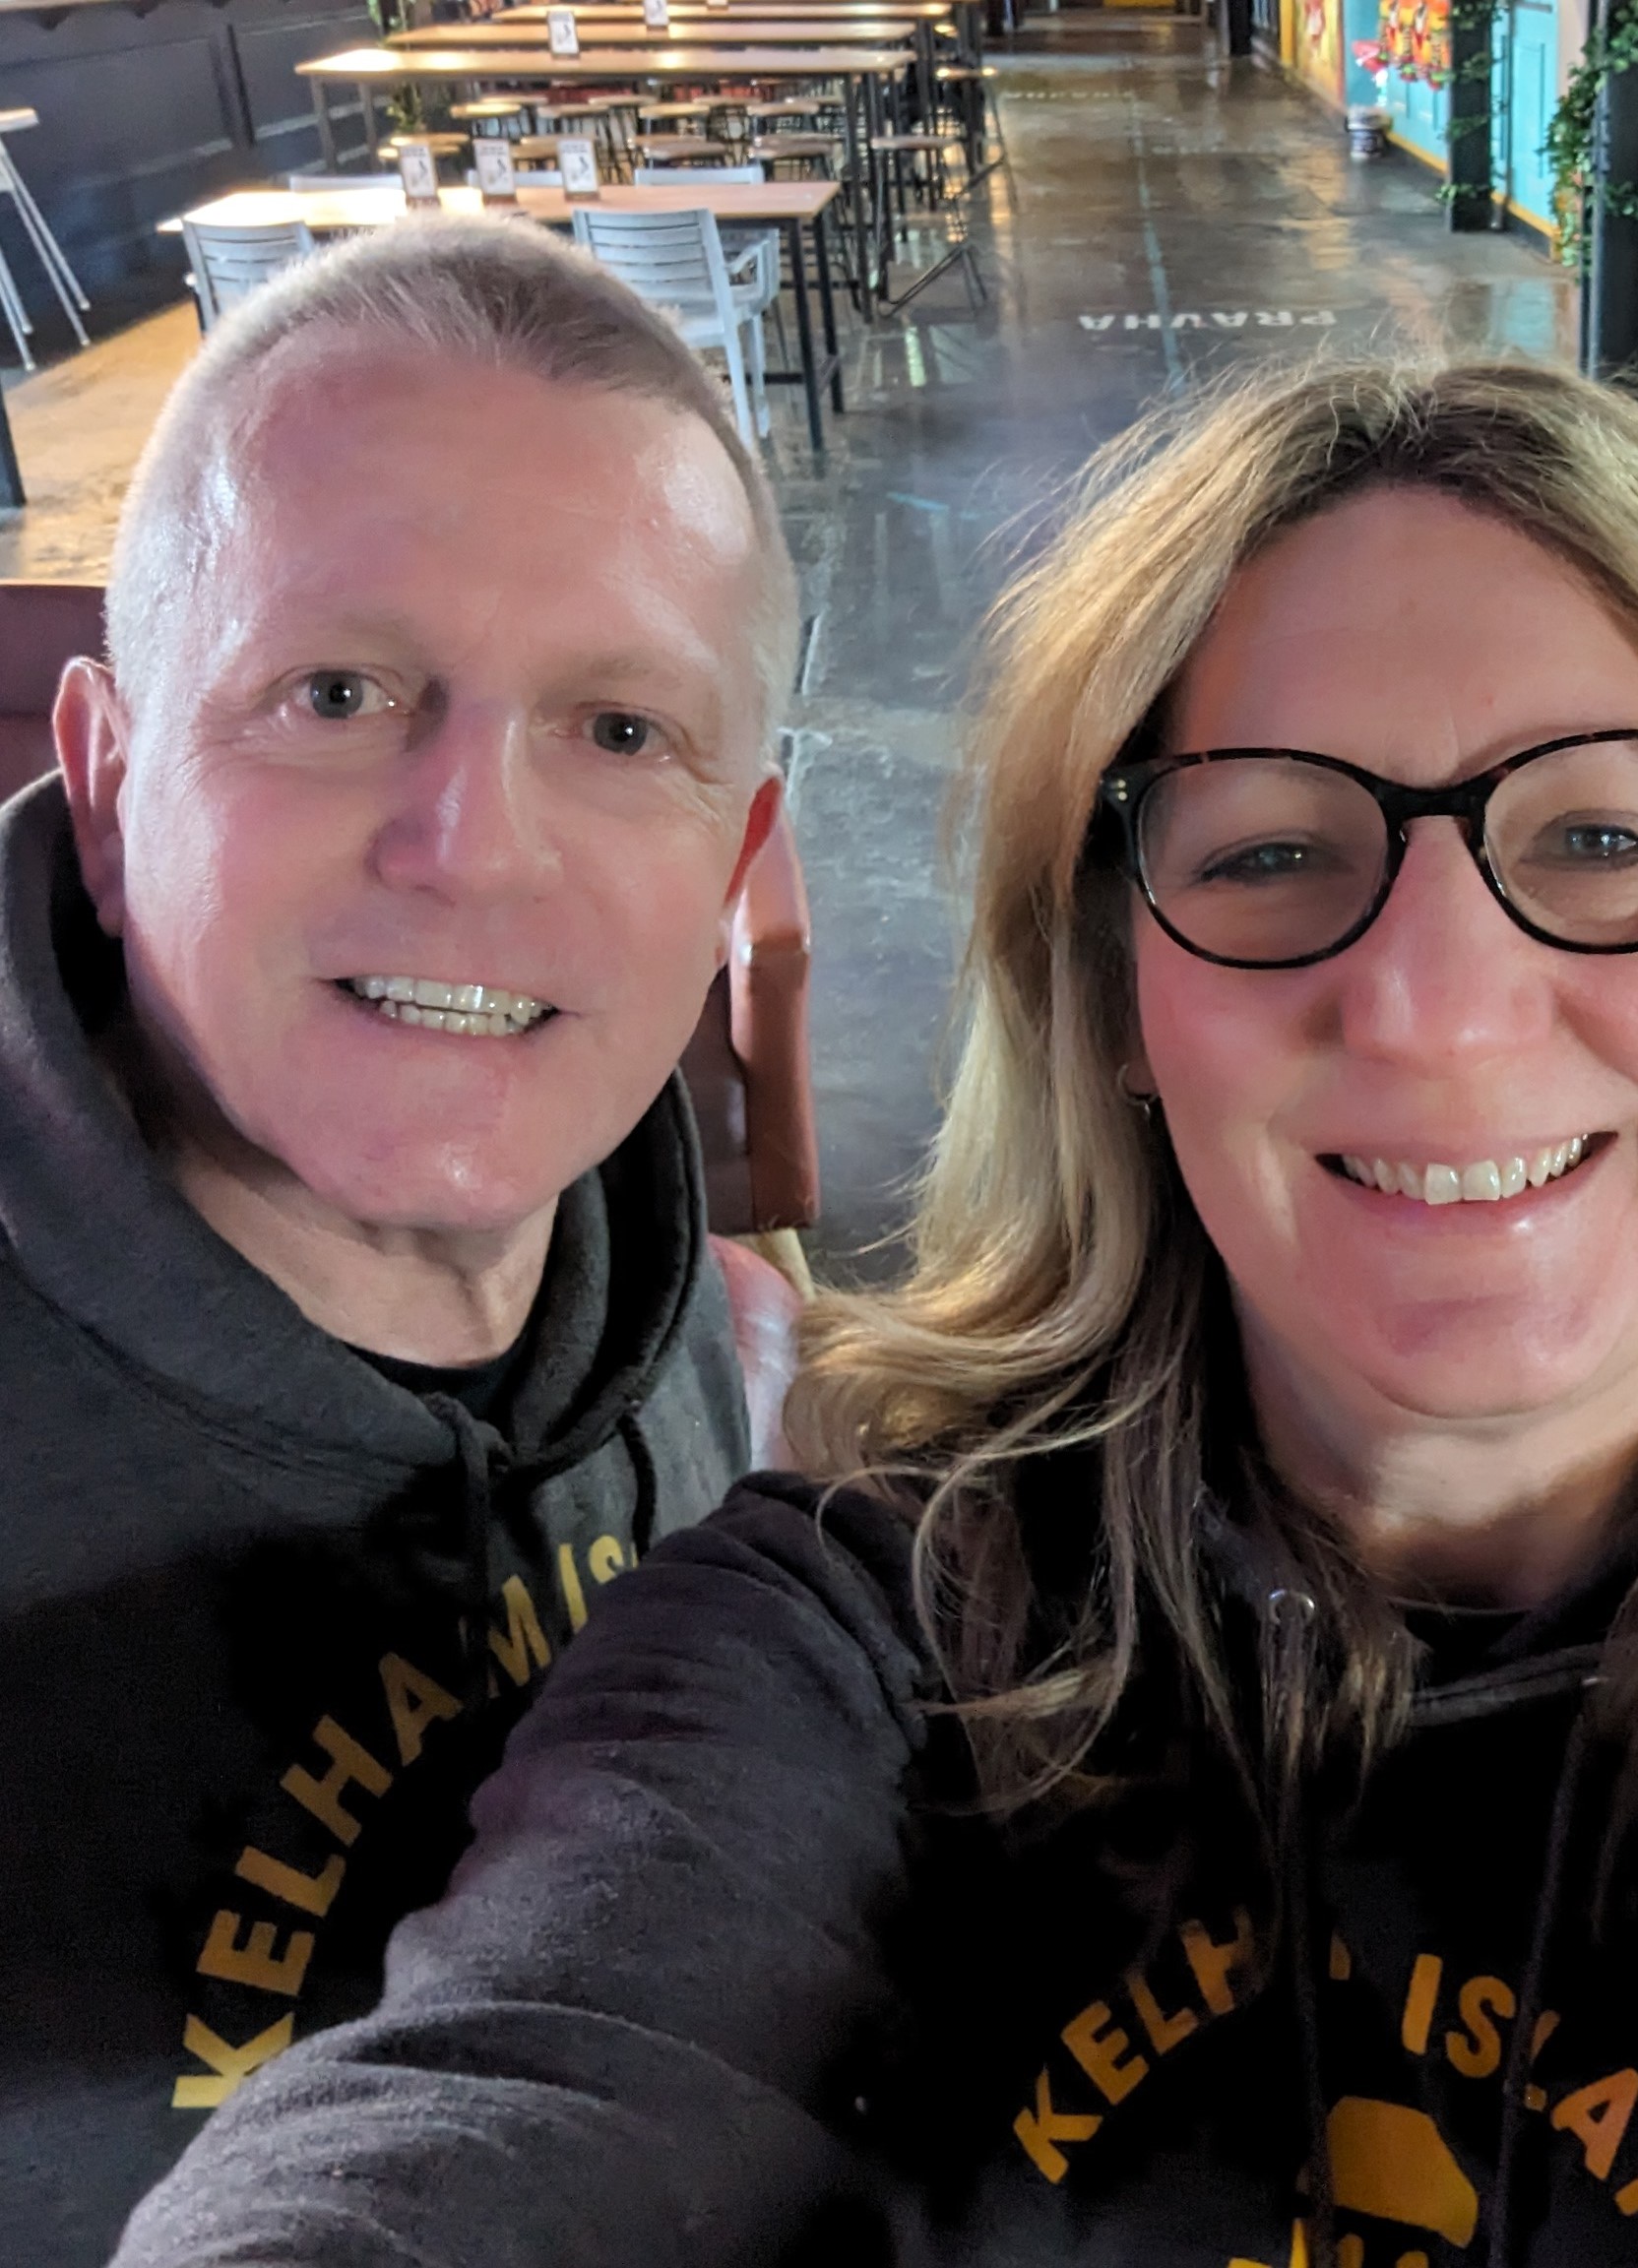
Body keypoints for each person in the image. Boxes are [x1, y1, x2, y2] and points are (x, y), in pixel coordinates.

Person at [122, 360, 1638, 2268]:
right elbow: (524, 2082)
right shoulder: (837, 1660)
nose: (1432, 1005)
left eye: (1605, 842)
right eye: (1281, 854)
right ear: (1109, 996)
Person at [0, 217, 794, 2266]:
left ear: (733, 859)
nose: (475, 847)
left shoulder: (658, 1299)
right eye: (338, 693)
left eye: (618, 733)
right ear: (104, 783)